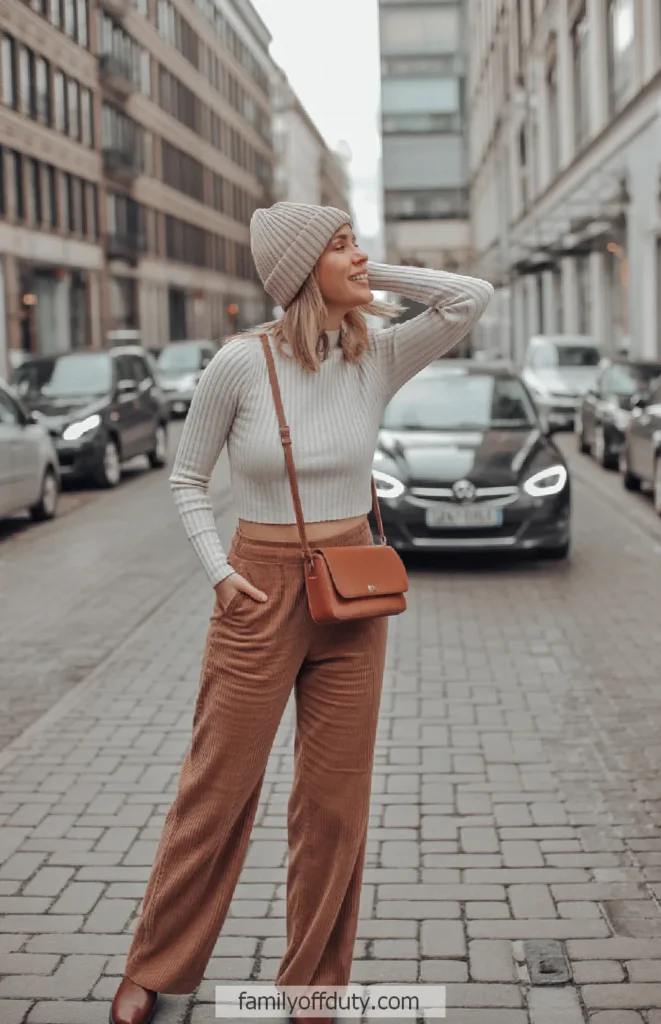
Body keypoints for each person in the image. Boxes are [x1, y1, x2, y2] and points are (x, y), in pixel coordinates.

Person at [110, 201, 493, 1024]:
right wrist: (219, 573)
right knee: (217, 792)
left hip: (352, 591)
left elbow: (469, 298)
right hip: (258, 587)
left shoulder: (375, 354)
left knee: (333, 804)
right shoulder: (239, 365)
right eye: (342, 246)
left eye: (358, 244)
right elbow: (186, 478)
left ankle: (313, 982)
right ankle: (155, 966)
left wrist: (363, 273)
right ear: (298, 270)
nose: (360, 257)